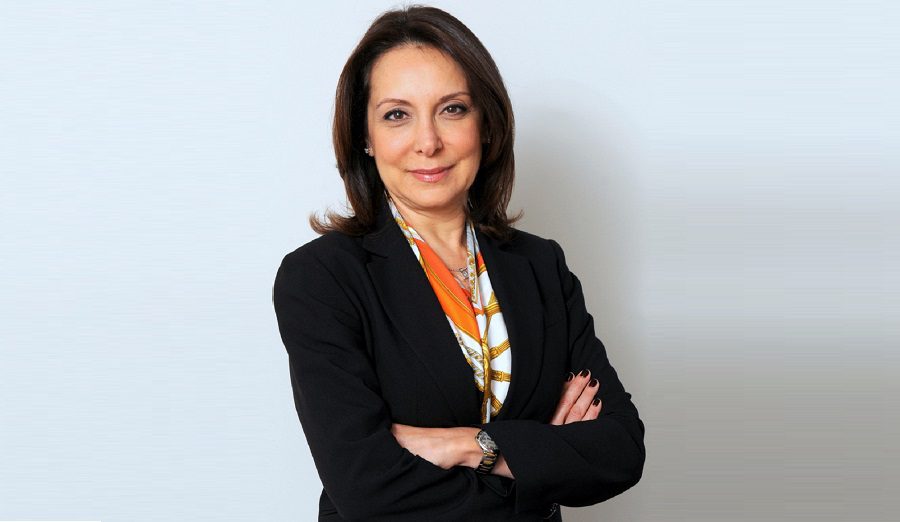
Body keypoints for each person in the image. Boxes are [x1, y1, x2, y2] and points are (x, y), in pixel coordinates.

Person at [273, 6, 644, 521]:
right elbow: (366, 489)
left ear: (485, 124)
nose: (428, 142)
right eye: (397, 115)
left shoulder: (540, 266)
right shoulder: (322, 278)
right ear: (365, 137)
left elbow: (620, 451)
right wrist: (539, 464)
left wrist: (471, 447)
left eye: (452, 109)